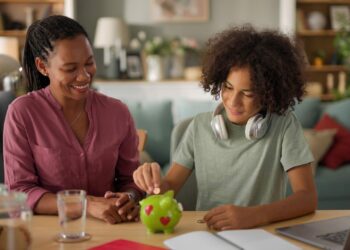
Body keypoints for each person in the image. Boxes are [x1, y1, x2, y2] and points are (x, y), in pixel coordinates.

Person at [133, 25, 317, 230]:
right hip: (209, 234)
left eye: (247, 93)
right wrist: (153, 183)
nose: (233, 101)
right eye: (228, 87)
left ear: (269, 94)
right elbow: (169, 189)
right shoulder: (199, 127)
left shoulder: (284, 126)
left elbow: (307, 198)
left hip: (262, 235)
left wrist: (256, 215)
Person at [3, 15, 144, 224]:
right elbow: (20, 192)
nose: (84, 76)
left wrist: (128, 198)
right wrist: (85, 204)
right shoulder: (23, 113)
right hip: (52, 231)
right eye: (70, 69)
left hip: (112, 227)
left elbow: (130, 181)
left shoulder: (117, 112)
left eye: (89, 63)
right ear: (43, 66)